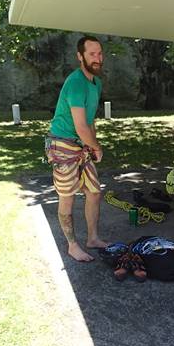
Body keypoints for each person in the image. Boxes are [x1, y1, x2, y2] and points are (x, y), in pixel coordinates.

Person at [46, 35, 110, 262]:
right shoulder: (75, 82)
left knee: (94, 192)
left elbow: (89, 121)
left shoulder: (96, 83)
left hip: (82, 145)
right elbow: (80, 127)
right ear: (80, 56)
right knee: (67, 196)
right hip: (62, 144)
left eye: (99, 53)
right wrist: (97, 147)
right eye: (92, 54)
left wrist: (93, 144)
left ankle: (93, 238)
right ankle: (72, 246)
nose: (97, 58)